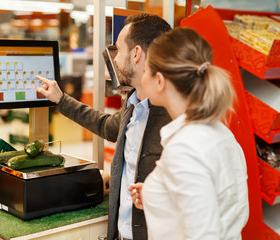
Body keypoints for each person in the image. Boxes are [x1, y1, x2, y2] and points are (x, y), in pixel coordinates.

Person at [36, 14, 172, 240]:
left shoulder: (174, 120)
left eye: (118, 50)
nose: (115, 60)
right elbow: (106, 126)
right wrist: (61, 100)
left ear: (136, 54)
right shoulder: (132, 105)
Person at [129, 27, 249, 240]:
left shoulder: (185, 148)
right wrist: (158, 193)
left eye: (146, 71)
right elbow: (218, 202)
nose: (143, 77)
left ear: (160, 81)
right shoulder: (220, 133)